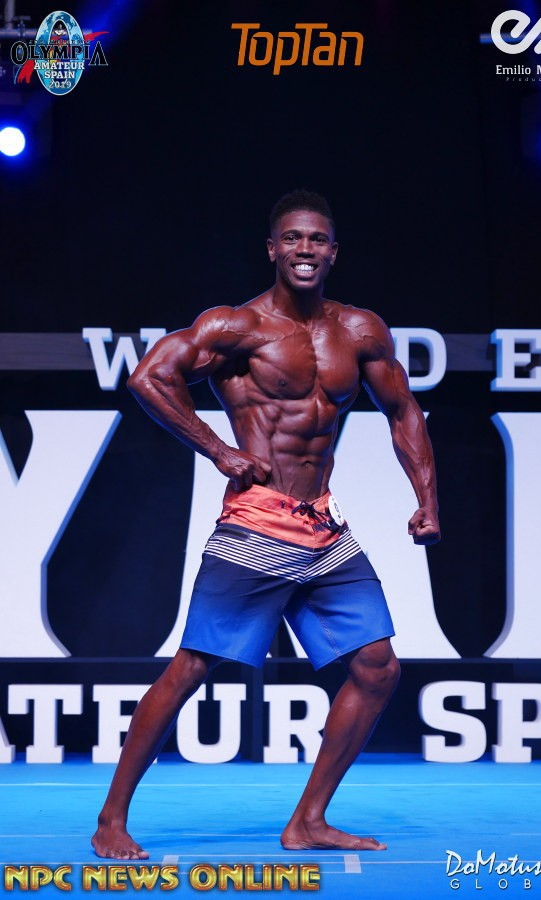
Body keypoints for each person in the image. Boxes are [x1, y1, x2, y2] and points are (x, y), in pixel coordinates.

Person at [91, 189, 440, 860]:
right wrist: (218, 450)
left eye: (318, 239)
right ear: (273, 249)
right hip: (256, 524)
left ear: (333, 252)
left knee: (377, 668)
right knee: (193, 667)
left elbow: (404, 412)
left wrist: (427, 498)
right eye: (294, 238)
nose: (306, 249)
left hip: (324, 527)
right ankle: (111, 818)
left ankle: (308, 820)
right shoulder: (237, 327)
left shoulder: (360, 331)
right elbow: (149, 378)